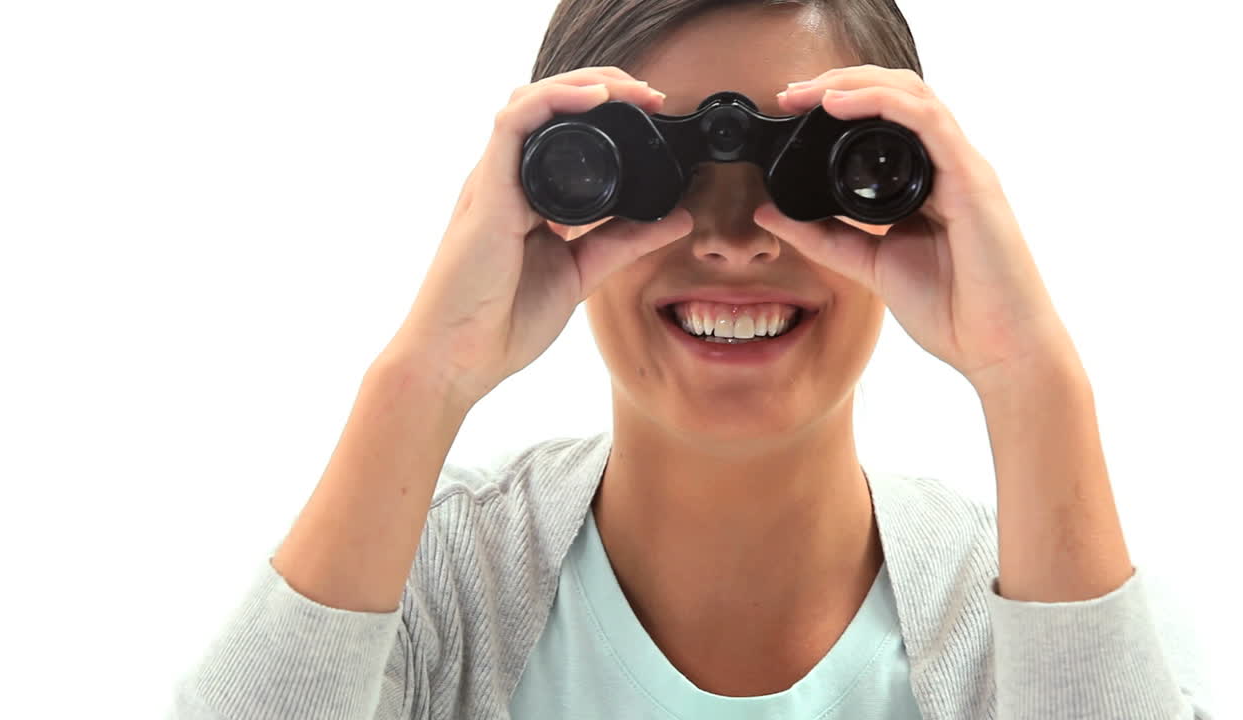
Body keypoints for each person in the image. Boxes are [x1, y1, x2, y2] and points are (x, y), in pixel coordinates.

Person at [166, 1, 1212, 718]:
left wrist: (1029, 378)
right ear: (549, 199)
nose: (731, 236)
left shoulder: (1042, 605)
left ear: (906, 196)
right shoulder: (431, 582)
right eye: (649, 173)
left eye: (809, 173)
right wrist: (423, 372)